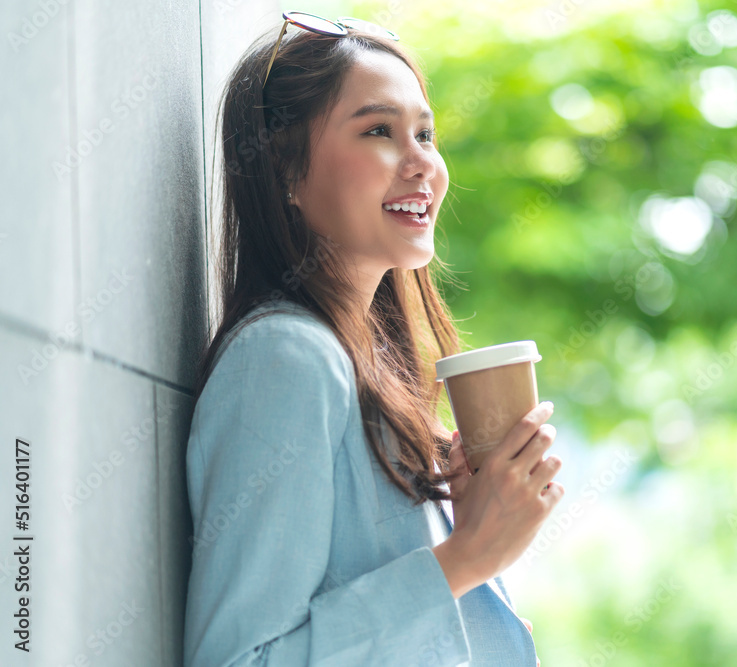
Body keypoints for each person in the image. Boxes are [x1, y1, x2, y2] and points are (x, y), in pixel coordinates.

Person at [182, 12, 564, 667]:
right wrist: (463, 557)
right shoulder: (285, 360)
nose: (423, 163)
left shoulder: (375, 372)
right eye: (379, 131)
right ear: (285, 169)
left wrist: (469, 530)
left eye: (425, 132)